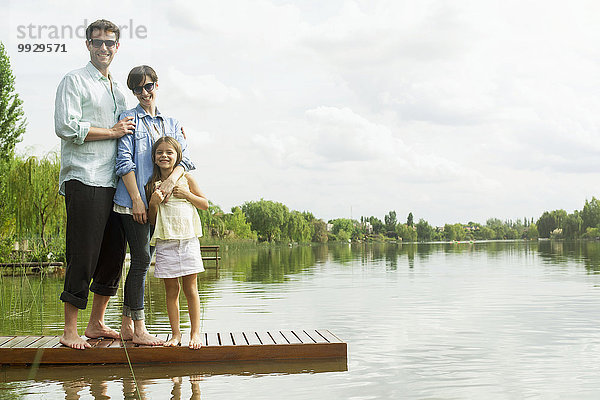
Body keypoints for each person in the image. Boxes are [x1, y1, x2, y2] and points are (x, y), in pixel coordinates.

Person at [54, 19, 134, 349]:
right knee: (83, 253)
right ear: (88, 44)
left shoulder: (118, 89)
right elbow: (65, 126)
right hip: (85, 177)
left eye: (110, 43)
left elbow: (133, 128)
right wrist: (112, 132)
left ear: (117, 47)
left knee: (115, 253)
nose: (104, 48)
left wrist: (170, 135)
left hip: (114, 181)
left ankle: (96, 323)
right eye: (97, 42)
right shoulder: (74, 80)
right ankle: (69, 330)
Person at [113, 66, 195, 345]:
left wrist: (170, 183)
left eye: (149, 86)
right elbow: (124, 162)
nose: (145, 93)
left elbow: (185, 159)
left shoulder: (170, 122)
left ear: (157, 86)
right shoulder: (128, 118)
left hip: (160, 204)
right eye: (138, 89)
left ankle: (126, 327)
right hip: (133, 203)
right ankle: (139, 329)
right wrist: (138, 200)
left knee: (141, 262)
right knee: (141, 261)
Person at [147, 137, 208, 349]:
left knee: (191, 288)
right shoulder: (152, 184)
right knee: (171, 290)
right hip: (166, 243)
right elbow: (152, 221)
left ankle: (195, 334)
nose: (164, 156)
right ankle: (175, 334)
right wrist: (153, 204)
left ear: (177, 156)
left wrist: (187, 194)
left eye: (169, 152)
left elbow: (205, 204)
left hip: (188, 240)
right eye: (159, 153)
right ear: (154, 158)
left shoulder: (187, 179)